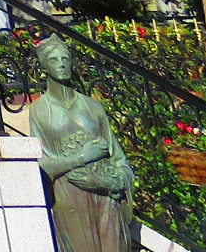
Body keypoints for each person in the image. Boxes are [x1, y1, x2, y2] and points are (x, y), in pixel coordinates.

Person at [29, 34, 135, 252]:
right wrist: (82, 158)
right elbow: (41, 165)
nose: (61, 64)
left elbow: (119, 161)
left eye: (65, 59)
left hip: (106, 199)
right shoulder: (39, 111)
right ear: (44, 67)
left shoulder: (93, 107)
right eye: (54, 60)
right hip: (69, 200)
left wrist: (108, 183)